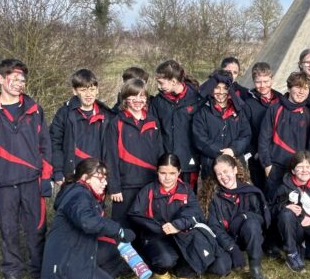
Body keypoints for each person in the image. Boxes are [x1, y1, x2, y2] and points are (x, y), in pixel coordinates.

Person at [0, 58, 53, 279]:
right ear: (0, 79)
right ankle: (12, 274)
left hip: (32, 181)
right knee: (8, 230)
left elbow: (45, 145)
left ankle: (40, 274)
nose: (19, 83)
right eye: (14, 79)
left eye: (22, 80)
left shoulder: (34, 109)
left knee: (36, 229)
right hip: (4, 182)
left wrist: (46, 177)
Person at [40, 159, 130, 279]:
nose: (105, 182)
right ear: (84, 178)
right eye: (99, 178)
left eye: (105, 178)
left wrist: (118, 236)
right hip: (67, 257)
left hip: (80, 247)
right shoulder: (78, 193)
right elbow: (87, 222)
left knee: (116, 251)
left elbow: (96, 225)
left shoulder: (88, 194)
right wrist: (118, 230)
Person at [128, 153, 220, 279]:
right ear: (157, 171)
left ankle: (183, 272)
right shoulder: (148, 190)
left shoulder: (186, 190)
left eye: (172, 173)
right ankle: (161, 269)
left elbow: (196, 213)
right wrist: (159, 228)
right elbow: (134, 214)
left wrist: (178, 225)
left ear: (179, 172)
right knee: (166, 260)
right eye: (163, 173)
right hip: (156, 236)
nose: (167, 178)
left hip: (180, 233)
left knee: (198, 247)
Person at [103, 77, 162, 237]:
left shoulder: (153, 122)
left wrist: (160, 182)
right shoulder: (116, 123)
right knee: (122, 229)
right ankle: (121, 260)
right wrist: (114, 187)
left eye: (142, 96)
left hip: (149, 184)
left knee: (147, 226)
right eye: (133, 96)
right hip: (125, 186)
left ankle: (145, 261)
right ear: (125, 98)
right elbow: (111, 158)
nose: (138, 100)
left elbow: (160, 154)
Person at [206, 154, 271, 279]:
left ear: (235, 170)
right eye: (219, 174)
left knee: (251, 224)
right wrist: (231, 247)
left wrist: (244, 217)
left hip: (248, 235)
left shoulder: (251, 192)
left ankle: (255, 269)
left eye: (226, 171)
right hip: (227, 239)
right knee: (221, 269)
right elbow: (214, 227)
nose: (223, 177)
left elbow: (262, 219)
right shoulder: (214, 198)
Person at [50, 68, 112, 187]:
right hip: (72, 176)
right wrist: (57, 171)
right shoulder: (64, 114)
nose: (89, 94)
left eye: (92, 89)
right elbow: (54, 143)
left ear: (97, 90)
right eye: (83, 90)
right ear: (74, 91)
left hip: (98, 176)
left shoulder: (107, 115)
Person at [259, 72, 310, 198]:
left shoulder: (307, 113)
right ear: (289, 88)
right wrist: (267, 165)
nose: (301, 92)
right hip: (275, 168)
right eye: (298, 87)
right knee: (273, 203)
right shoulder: (275, 109)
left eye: (305, 88)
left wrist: (306, 167)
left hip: (298, 170)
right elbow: (263, 139)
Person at [151, 60, 201, 188]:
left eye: (161, 82)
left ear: (173, 81)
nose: (159, 86)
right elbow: (156, 133)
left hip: (190, 159)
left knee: (188, 195)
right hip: (167, 160)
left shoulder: (196, 98)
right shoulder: (157, 102)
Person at [192, 69, 251, 179]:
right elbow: (199, 138)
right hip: (211, 164)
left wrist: (233, 150)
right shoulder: (202, 112)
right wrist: (221, 152)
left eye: (225, 88)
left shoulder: (239, 110)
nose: (221, 92)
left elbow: (246, 135)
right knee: (211, 195)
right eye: (217, 88)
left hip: (235, 163)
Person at [240, 61, 282, 193]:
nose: (262, 85)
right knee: (261, 191)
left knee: (278, 191)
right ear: (253, 81)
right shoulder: (248, 103)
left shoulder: (280, 99)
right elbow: (245, 131)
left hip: (278, 154)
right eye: (258, 82)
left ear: (272, 79)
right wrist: (254, 152)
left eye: (266, 81)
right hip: (258, 156)